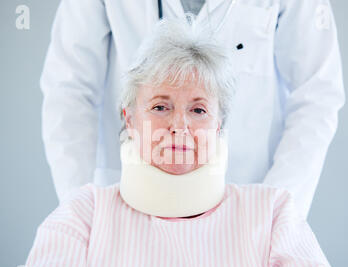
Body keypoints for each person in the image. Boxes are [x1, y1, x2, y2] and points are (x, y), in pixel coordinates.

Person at [16, 19, 344, 267]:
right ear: (129, 119)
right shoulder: (83, 213)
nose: (180, 126)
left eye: (198, 110)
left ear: (219, 125)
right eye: (161, 107)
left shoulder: (273, 212)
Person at [40, 0, 345, 220]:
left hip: (250, 194)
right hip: (127, 202)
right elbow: (69, 90)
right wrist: (78, 210)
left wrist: (278, 212)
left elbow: (317, 93)